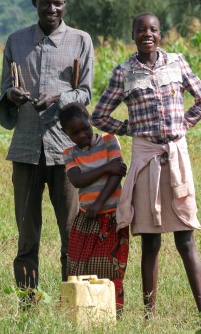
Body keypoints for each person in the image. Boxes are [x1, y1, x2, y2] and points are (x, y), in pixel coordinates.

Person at [91, 12, 201, 317]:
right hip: (146, 161)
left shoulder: (177, 62)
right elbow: (99, 116)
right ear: (133, 35)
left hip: (175, 157)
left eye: (153, 29)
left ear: (161, 34)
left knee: (186, 238)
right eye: (141, 30)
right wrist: (130, 129)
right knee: (150, 241)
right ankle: (149, 315)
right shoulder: (124, 73)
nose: (147, 34)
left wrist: (183, 124)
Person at [0, 0, 94, 292]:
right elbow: (4, 90)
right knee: (26, 235)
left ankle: (71, 303)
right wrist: (12, 96)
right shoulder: (17, 41)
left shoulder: (80, 41)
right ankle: (27, 305)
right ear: (33, 1)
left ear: (65, 4)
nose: (52, 8)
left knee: (71, 233)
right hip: (25, 149)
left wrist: (58, 98)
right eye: (46, 2)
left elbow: (85, 92)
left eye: (58, 2)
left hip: (65, 149)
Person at [59, 102, 130, 314]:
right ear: (66, 133)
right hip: (86, 218)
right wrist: (107, 166)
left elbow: (118, 173)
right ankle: (82, 311)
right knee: (79, 265)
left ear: (91, 121)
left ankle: (111, 312)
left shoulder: (109, 140)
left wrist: (99, 203)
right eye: (75, 133)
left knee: (111, 266)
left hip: (112, 216)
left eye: (85, 129)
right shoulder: (69, 154)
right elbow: (78, 180)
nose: (82, 135)